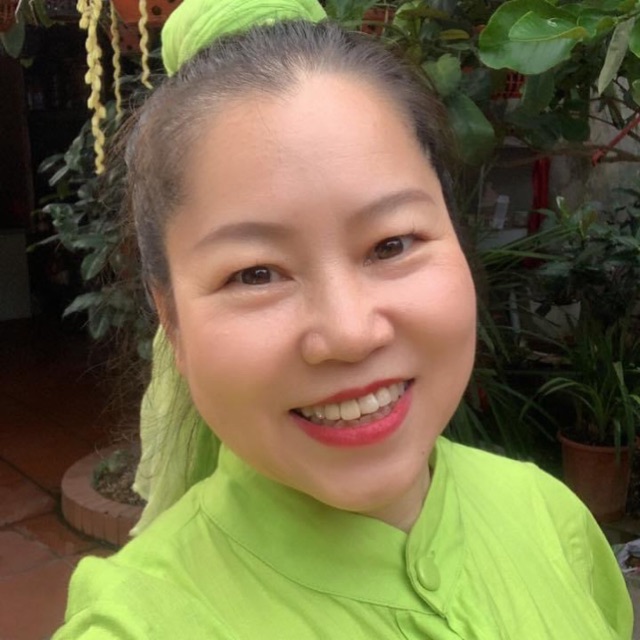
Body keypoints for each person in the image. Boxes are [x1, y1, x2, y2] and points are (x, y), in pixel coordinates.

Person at [54, 0, 633, 637]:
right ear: (171, 319)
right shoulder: (138, 624)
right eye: (256, 273)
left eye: (392, 244)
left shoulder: (549, 515)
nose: (350, 333)